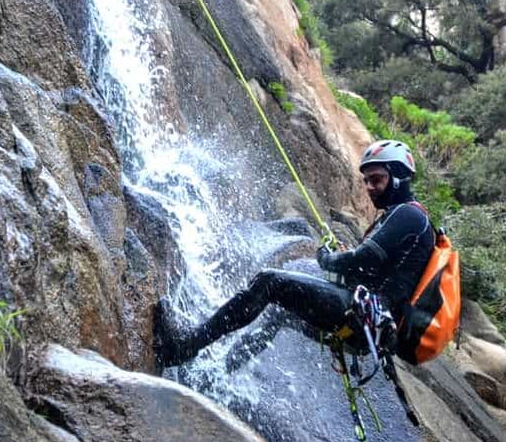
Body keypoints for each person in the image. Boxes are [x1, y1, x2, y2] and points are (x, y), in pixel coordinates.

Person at [155, 140, 435, 367]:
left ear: (399, 177)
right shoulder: (402, 218)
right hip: (367, 325)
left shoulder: (409, 215)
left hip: (361, 318)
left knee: (269, 282)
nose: (370, 188)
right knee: (280, 313)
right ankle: (219, 372)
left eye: (377, 179)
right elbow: (373, 266)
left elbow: (361, 260)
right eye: (366, 181)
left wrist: (327, 258)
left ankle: (186, 346)